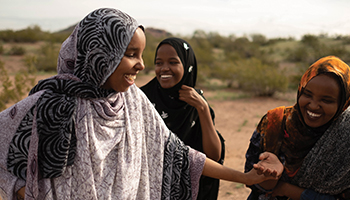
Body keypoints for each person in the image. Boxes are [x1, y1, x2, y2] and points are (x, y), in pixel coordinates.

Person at [0, 8, 282, 200]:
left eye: (142, 54)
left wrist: (244, 178)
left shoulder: (133, 102)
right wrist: (22, 188)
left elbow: (180, 155)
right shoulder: (52, 103)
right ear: (101, 55)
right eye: (131, 54)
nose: (142, 64)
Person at [245, 55, 350, 200]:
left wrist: (291, 191)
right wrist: (270, 177)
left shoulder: (345, 136)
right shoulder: (275, 122)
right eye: (307, 94)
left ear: (343, 104)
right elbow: (251, 180)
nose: (313, 105)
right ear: (300, 90)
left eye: (326, 100)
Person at [140, 37, 225, 200]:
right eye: (159, 63)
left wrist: (203, 109)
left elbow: (213, 156)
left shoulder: (196, 102)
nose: (164, 68)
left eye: (173, 62)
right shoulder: (143, 99)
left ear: (187, 66)